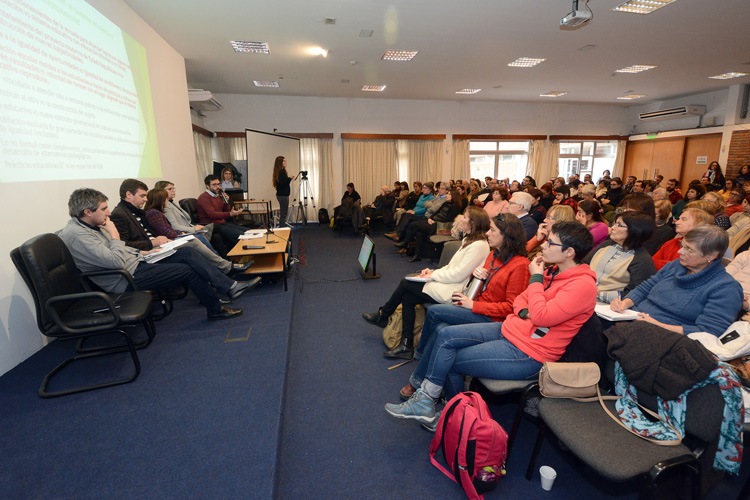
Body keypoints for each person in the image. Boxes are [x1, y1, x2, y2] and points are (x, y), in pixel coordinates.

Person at [385, 222, 597, 424]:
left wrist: (536, 280)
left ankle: (452, 414)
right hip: (510, 330)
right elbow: (521, 301)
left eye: (550, 242)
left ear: (569, 252)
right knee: (446, 337)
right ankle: (436, 405)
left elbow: (541, 316)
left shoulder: (581, 285)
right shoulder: (552, 272)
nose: (543, 245)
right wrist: (527, 311)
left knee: (449, 358)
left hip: (529, 353)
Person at [397, 213, 531, 400]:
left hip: (492, 319)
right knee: (440, 329)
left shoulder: (520, 266)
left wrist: (473, 305)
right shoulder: (494, 254)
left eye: (492, 230)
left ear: (507, 235)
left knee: (435, 313)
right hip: (478, 307)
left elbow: (511, 308)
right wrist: (476, 277)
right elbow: (481, 286)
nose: (487, 233)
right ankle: (424, 382)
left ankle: (419, 364)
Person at [58, 188, 245, 321]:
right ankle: (217, 307)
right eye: (104, 209)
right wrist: (114, 234)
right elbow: (115, 261)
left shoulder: (90, 225)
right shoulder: (78, 236)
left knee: (186, 252)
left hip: (138, 262)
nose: (108, 212)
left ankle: (227, 286)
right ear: (87, 212)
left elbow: (119, 251)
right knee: (187, 270)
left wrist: (143, 251)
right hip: (125, 278)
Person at [362, 207, 491, 360]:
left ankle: (384, 315)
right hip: (449, 284)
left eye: (465, 216)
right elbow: (451, 267)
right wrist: (431, 271)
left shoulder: (479, 246)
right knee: (408, 297)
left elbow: (458, 275)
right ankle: (406, 344)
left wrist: (433, 275)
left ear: (473, 223)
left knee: (406, 283)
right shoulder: (469, 240)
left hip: (455, 292)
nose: (461, 219)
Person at [611, 225, 742, 336]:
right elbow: (646, 287)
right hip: (634, 318)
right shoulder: (676, 265)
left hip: (663, 336)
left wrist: (657, 325)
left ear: (711, 256)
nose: (680, 251)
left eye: (689, 249)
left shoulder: (726, 288)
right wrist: (624, 304)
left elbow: (708, 331)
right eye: (683, 245)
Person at [144, 188, 249, 275]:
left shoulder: (160, 211)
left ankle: (224, 264)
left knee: (217, 235)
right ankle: (246, 237)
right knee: (214, 229)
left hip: (185, 231)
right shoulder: (154, 213)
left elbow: (169, 229)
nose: (167, 201)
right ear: (160, 200)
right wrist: (183, 233)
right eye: (165, 198)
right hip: (174, 239)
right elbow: (167, 231)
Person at [584, 212, 655, 303]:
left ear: (635, 231)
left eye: (619, 225)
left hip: (608, 305)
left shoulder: (642, 259)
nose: (613, 227)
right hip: (585, 292)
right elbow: (584, 263)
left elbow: (636, 293)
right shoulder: (608, 244)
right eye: (615, 223)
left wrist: (598, 295)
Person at [395, 188, 461, 262]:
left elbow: (448, 219)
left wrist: (434, 221)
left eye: (449, 194)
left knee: (413, 224)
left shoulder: (455, 206)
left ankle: (405, 242)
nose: (447, 195)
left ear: (454, 196)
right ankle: (417, 256)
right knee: (419, 232)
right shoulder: (446, 203)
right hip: (433, 222)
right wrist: (430, 218)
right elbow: (436, 212)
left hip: (440, 227)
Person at [197, 174, 249, 256]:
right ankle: (240, 256)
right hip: (211, 225)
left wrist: (225, 202)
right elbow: (212, 215)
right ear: (207, 186)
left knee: (247, 231)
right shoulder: (204, 197)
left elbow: (225, 211)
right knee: (239, 235)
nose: (217, 187)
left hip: (221, 223)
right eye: (214, 185)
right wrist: (230, 213)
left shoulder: (218, 195)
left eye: (218, 184)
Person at [272, 156, 292, 225]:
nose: (285, 162)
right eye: (283, 161)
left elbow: (281, 183)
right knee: (283, 214)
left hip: (281, 195)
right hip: (283, 195)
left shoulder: (278, 172)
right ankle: (282, 229)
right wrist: (289, 179)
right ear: (280, 163)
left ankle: (282, 228)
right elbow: (282, 183)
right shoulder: (281, 172)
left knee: (283, 213)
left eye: (285, 161)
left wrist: (289, 179)